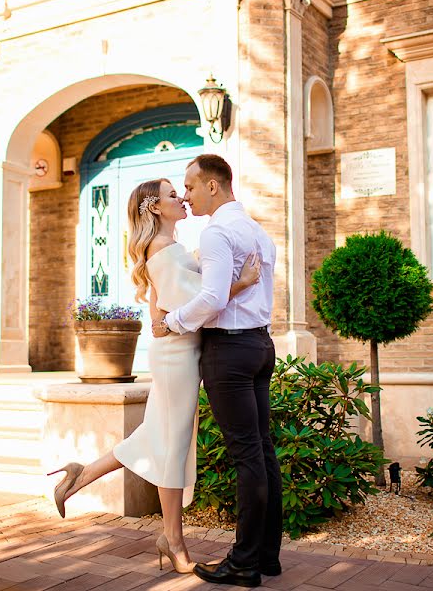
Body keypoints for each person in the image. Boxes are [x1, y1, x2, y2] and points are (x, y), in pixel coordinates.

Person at [47, 177, 260, 575]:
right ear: (155, 208)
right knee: (172, 445)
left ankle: (82, 474)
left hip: (179, 352)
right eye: (171, 194)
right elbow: (202, 303)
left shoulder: (168, 249)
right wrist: (242, 283)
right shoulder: (163, 250)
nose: (181, 197)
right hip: (177, 357)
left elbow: (170, 302)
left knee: (157, 437)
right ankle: (173, 540)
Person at [153, 154, 281, 588]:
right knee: (262, 452)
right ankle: (267, 556)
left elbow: (210, 299)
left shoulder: (217, 233)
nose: (186, 196)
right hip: (262, 344)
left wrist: (169, 322)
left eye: (190, 187)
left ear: (213, 186)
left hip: (230, 351)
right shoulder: (258, 232)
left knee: (248, 455)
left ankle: (244, 562)